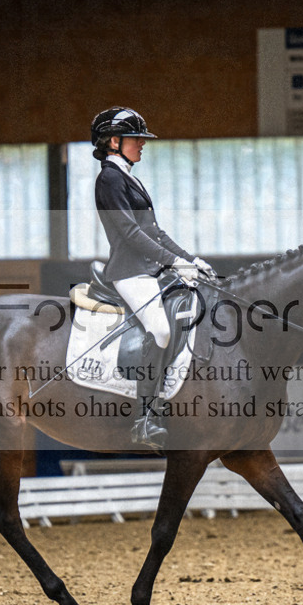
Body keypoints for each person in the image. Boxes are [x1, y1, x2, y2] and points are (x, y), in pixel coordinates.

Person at [91, 106, 216, 450]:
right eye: (136, 139)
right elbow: (130, 233)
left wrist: (191, 260)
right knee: (159, 329)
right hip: (129, 271)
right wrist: (174, 262)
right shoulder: (109, 179)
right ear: (114, 141)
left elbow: (155, 232)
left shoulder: (130, 177)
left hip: (149, 268)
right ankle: (145, 417)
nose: (142, 145)